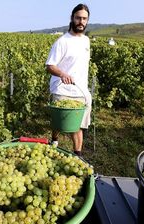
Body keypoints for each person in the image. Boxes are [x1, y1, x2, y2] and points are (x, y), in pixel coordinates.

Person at [45, 3, 92, 157]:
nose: (81, 21)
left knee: (77, 127)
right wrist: (62, 74)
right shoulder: (62, 42)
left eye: (84, 19)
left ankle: (77, 155)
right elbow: (50, 65)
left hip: (80, 91)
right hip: (62, 89)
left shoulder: (86, 41)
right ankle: (54, 139)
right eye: (78, 18)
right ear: (72, 18)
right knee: (58, 123)